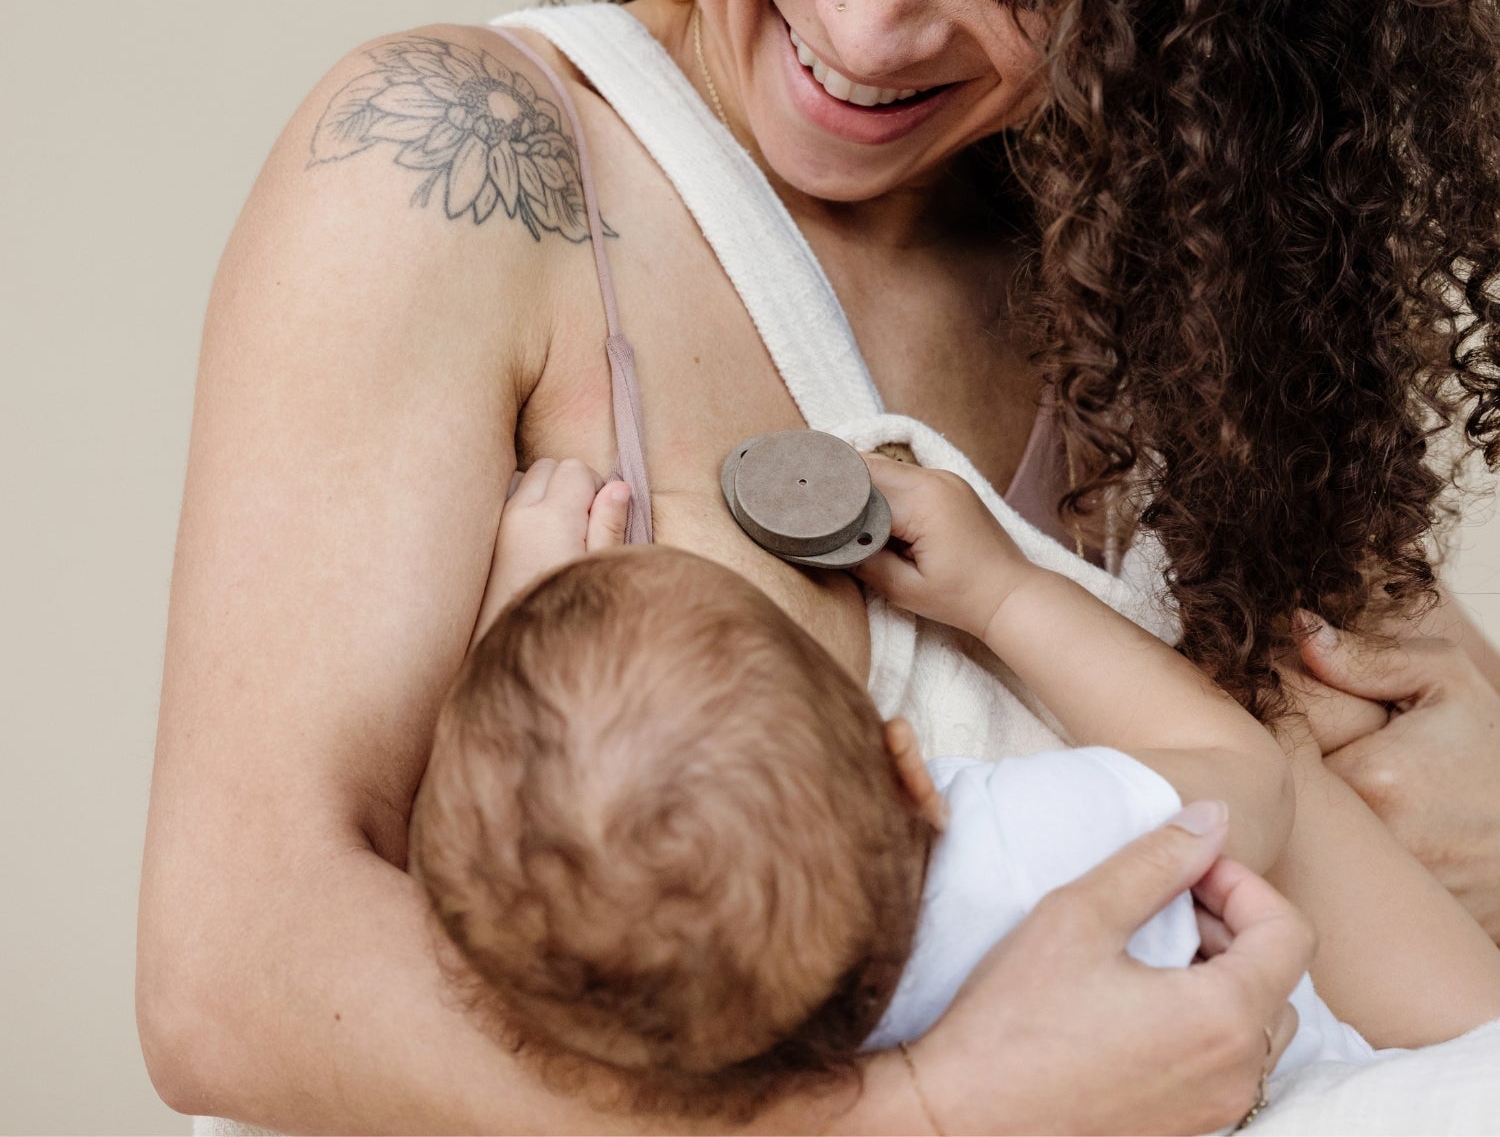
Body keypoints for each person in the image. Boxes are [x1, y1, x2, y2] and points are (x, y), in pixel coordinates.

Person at [136, 0, 1500, 1132]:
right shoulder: (460, 170)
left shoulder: (1191, 284)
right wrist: (920, 1113)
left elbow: (1395, 899)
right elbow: (234, 973)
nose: (867, 32)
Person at [405, 456, 1500, 1123]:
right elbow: (1245, 780)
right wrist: (1003, 595)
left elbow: (513, 888)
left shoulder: (693, 1052)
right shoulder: (1030, 846)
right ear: (906, 767)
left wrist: (516, 633)